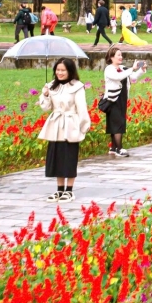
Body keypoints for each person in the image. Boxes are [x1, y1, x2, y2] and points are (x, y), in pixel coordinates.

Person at [37, 58, 91, 203]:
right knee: (57, 157)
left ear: (70, 71)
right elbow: (46, 108)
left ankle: (69, 190)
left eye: (63, 70)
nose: (59, 73)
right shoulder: (51, 86)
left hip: (71, 124)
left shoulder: (77, 87)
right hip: (55, 125)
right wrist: (46, 94)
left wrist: (84, 126)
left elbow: (82, 108)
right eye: (58, 70)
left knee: (69, 157)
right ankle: (59, 189)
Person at [101, 45, 145, 157]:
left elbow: (132, 77)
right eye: (118, 55)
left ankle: (113, 148)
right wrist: (132, 69)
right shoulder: (109, 69)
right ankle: (119, 149)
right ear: (111, 57)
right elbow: (118, 77)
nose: (120, 57)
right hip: (113, 99)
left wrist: (141, 70)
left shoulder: (124, 68)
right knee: (117, 123)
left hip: (122, 98)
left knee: (115, 123)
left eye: (121, 55)